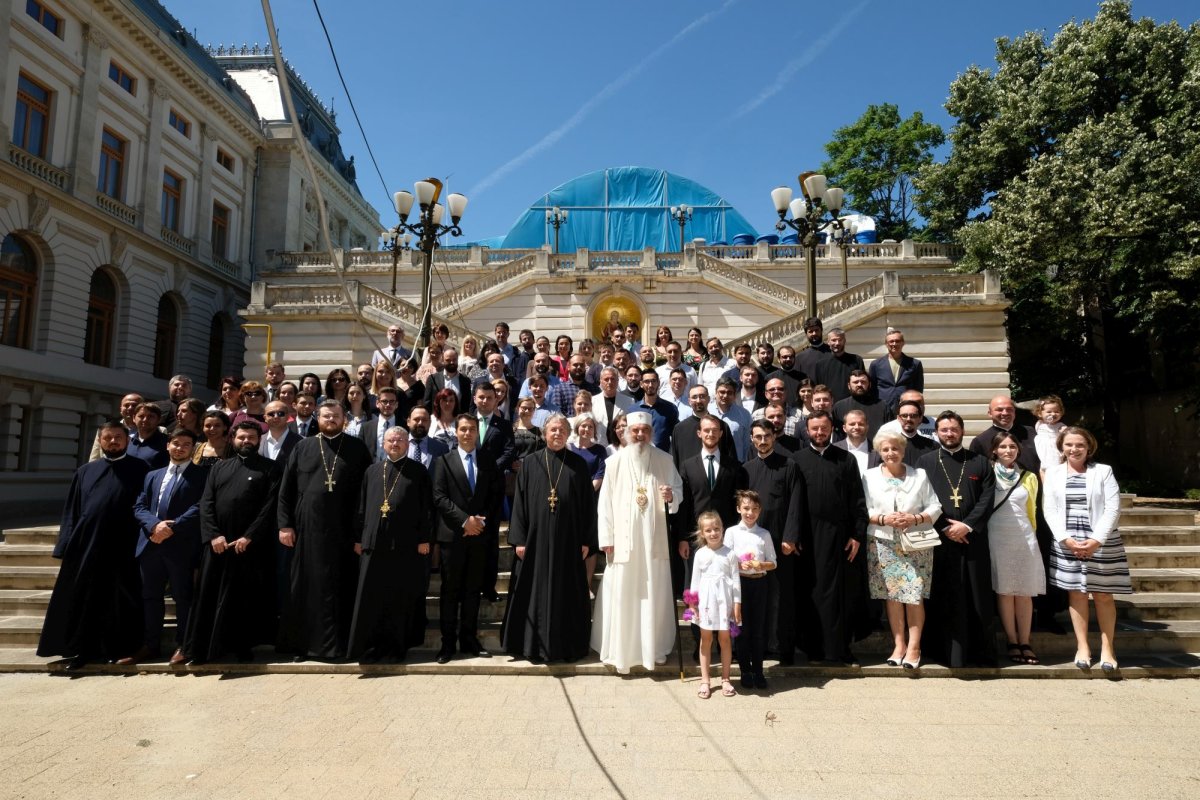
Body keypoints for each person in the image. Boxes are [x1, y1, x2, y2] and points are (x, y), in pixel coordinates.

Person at [37, 420, 151, 670]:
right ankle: (81, 650)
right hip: (86, 546)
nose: (113, 442)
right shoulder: (84, 472)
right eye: (108, 438)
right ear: (100, 441)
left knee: (119, 602)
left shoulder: (142, 469)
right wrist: (64, 545)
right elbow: (72, 511)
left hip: (124, 547)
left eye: (117, 438)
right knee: (83, 599)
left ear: (127, 440)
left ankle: (116, 649)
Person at [277, 401, 372, 661]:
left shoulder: (357, 448)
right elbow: (286, 490)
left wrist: (361, 533)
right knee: (307, 588)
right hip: (308, 530)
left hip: (345, 531)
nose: (331, 419)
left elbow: (367, 494)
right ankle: (304, 647)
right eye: (326, 415)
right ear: (317, 418)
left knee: (341, 588)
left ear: (345, 419)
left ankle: (341, 646)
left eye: (336, 416)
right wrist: (285, 525)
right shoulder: (302, 447)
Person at [590, 412, 683, 674]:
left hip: (654, 542)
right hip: (623, 541)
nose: (640, 435)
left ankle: (653, 649)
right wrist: (606, 539)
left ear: (651, 432)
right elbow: (605, 504)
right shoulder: (614, 462)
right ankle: (622, 650)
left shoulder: (665, 460)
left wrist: (671, 495)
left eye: (645, 430)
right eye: (636, 431)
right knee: (623, 593)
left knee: (654, 593)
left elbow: (678, 492)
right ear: (626, 432)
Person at [501, 415, 597, 663]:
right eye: (553, 429)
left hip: (570, 540)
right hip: (535, 541)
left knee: (567, 593)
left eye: (562, 430)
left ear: (568, 434)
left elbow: (588, 506)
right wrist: (519, 540)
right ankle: (532, 646)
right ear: (545, 433)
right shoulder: (530, 463)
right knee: (533, 592)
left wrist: (587, 539)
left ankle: (567, 646)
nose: (557, 433)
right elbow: (519, 503)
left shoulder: (578, 465)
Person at [186, 422, 280, 664]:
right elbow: (206, 503)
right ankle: (202, 650)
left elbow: (269, 508)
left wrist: (249, 536)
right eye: (241, 437)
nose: (246, 441)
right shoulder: (219, 468)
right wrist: (213, 535)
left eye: (251, 437)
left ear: (259, 440)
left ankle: (241, 648)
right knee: (208, 596)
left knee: (244, 600)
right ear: (232, 439)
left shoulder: (270, 469)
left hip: (248, 546)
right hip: (217, 544)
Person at [1043, 426, 1129, 673]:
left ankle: (1108, 648)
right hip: (1067, 540)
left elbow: (1113, 508)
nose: (1074, 449)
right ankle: (1082, 647)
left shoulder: (1103, 471)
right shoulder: (1054, 473)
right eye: (1069, 444)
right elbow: (1049, 509)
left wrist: (1096, 541)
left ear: (1089, 447)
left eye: (1079, 445)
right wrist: (1065, 539)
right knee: (1077, 594)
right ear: (1061, 447)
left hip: (1101, 540)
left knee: (1102, 594)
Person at [917, 411, 997, 667]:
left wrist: (968, 526)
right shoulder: (925, 462)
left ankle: (979, 653)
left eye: (953, 429)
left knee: (977, 595)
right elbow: (921, 499)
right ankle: (941, 652)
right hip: (939, 539)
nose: (949, 434)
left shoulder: (979, 462)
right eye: (944, 430)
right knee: (943, 595)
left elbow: (987, 498)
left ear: (962, 431)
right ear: (937, 432)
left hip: (972, 539)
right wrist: (945, 527)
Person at [123, 428, 207, 666]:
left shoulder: (202, 475)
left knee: (183, 597)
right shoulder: (153, 475)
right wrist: (155, 527)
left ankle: (183, 645)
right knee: (150, 597)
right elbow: (139, 506)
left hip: (181, 546)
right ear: (168, 445)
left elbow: (202, 506)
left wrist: (172, 527)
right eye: (176, 443)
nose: (180, 448)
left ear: (193, 448)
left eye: (186, 444)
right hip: (151, 544)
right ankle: (150, 645)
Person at [349, 426, 433, 663]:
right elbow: (362, 507)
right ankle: (372, 646)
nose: (395, 444)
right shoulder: (372, 471)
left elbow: (426, 508)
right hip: (374, 544)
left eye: (399, 440)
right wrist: (359, 538)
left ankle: (397, 647)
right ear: (383, 444)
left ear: (407, 444)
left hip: (405, 545)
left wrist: (424, 539)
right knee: (373, 597)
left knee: (399, 597)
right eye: (390, 440)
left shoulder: (418, 471)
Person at [792, 412, 869, 664]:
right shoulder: (797, 460)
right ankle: (813, 650)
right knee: (809, 594)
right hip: (807, 540)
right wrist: (793, 535)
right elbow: (792, 503)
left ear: (832, 429)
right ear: (807, 430)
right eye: (814, 429)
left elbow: (858, 501)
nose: (819, 433)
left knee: (840, 597)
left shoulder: (846, 460)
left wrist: (857, 535)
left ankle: (840, 650)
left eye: (823, 428)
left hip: (840, 540)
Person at [863, 429, 942, 669]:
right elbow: (863, 508)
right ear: (879, 452)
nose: (890, 453)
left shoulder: (919, 475)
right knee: (893, 595)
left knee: (914, 594)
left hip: (915, 541)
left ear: (903, 450)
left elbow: (935, 505)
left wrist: (915, 518)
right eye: (885, 449)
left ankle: (915, 646)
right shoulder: (869, 476)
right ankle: (899, 645)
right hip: (883, 542)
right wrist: (883, 519)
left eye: (895, 448)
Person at [431, 414, 504, 663]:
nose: (467, 433)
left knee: (473, 590)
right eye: (463, 429)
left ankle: (469, 639)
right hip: (453, 536)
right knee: (450, 590)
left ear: (476, 433)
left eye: (472, 429)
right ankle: (448, 643)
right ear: (456, 432)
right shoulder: (444, 461)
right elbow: (439, 497)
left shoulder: (487, 460)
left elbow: (496, 494)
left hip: (479, 536)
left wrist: (480, 522)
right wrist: (465, 521)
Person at [988, 431, 1046, 665]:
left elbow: (1033, 509)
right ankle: (1012, 641)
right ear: (994, 450)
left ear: (1018, 450)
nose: (1008, 451)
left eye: (1012, 447)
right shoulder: (987, 473)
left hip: (1023, 534)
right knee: (1005, 590)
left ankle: (1025, 641)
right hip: (997, 534)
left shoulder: (1029, 477)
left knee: (1024, 590)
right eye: (1002, 447)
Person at [685, 511, 742, 699]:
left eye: (716, 529)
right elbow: (694, 581)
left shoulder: (730, 554)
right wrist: (693, 604)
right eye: (708, 530)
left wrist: (737, 604)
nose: (713, 533)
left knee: (725, 640)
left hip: (725, 602)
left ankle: (725, 678)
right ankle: (705, 680)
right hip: (707, 603)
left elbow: (735, 581)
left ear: (722, 529)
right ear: (702, 533)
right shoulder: (700, 554)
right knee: (706, 639)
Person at [724, 491, 776, 689]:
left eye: (754, 509)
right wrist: (739, 565)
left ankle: (759, 671)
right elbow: (726, 560)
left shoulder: (764, 534)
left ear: (760, 511)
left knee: (758, 629)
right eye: (746, 508)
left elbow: (774, 562)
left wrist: (762, 565)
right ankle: (745, 670)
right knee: (741, 628)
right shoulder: (731, 533)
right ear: (739, 509)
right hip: (739, 585)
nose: (750, 513)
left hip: (759, 584)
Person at [970, 395, 1041, 474]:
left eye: (1009, 409)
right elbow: (975, 473)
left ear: (1014, 412)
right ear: (990, 413)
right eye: (999, 410)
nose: (1005, 413)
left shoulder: (1031, 432)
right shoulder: (980, 441)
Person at [868, 328, 924, 414]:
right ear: (886, 344)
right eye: (891, 341)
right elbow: (871, 389)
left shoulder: (915, 364)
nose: (894, 344)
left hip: (906, 408)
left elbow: (918, 389)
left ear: (903, 343)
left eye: (897, 341)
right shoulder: (876, 364)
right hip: (883, 408)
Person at [832, 369, 889, 441]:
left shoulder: (882, 406)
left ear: (870, 384)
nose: (859, 385)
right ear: (849, 386)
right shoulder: (839, 407)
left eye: (863, 382)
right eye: (855, 382)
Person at [814, 327, 864, 403]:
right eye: (833, 340)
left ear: (844, 341)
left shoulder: (856, 360)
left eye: (840, 340)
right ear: (828, 342)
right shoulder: (820, 365)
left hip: (853, 405)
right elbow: (818, 389)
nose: (837, 343)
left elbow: (863, 384)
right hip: (830, 407)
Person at [359, 386, 403, 462]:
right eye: (384, 401)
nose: (388, 405)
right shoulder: (366, 428)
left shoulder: (404, 426)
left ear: (397, 405)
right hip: (372, 471)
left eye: (392, 401)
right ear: (377, 403)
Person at [1033, 395, 1066, 477]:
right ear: (1040, 414)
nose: (1053, 414)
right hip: (1043, 452)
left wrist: (1064, 431)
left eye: (1057, 411)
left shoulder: (1060, 426)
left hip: (1054, 450)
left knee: (1056, 466)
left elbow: (1066, 434)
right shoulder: (1039, 424)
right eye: (1049, 412)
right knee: (1044, 469)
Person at [128, 402, 169, 468]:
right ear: (134, 418)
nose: (145, 420)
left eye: (151, 416)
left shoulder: (167, 444)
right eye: (141, 416)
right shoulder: (127, 442)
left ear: (159, 419)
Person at [836, 409, 872, 475]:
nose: (856, 427)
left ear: (867, 427)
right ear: (844, 428)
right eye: (852, 424)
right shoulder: (834, 449)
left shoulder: (878, 450)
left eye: (861, 424)